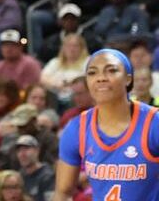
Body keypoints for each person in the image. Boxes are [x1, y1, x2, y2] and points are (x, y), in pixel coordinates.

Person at [54, 48, 159, 201]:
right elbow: (62, 193)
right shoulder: (77, 128)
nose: (101, 78)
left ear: (128, 79)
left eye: (111, 70)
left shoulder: (153, 123)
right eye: (92, 73)